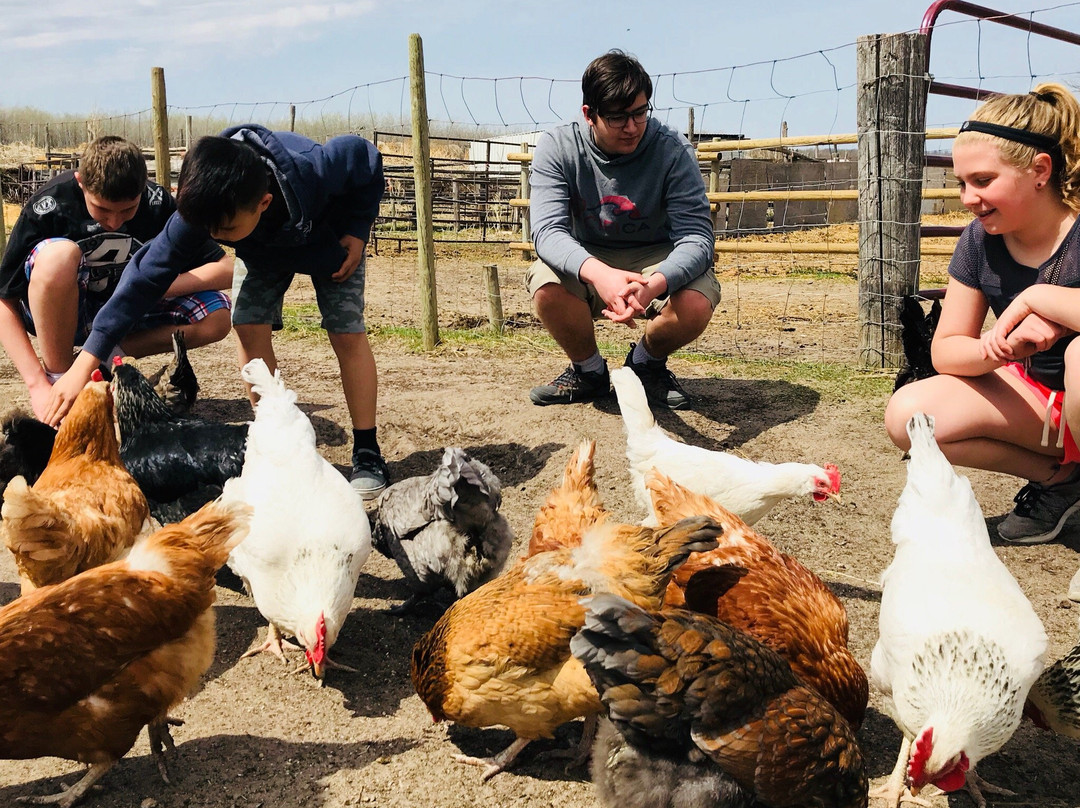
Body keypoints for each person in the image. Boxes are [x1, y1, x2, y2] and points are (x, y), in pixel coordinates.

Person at [41, 125, 390, 500]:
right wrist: (84, 363)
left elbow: (364, 158)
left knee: (345, 331)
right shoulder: (208, 209)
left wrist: (357, 229)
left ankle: (367, 451)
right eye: (207, 230)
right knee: (247, 325)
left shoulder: (313, 168)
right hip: (261, 248)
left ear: (264, 202)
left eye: (222, 230)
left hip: (331, 241)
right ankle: (273, 440)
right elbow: (142, 279)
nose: (214, 237)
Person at [885, 83, 1080, 547]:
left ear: (1039, 170)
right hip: (1041, 405)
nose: (968, 197)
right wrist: (1000, 348)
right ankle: (1063, 483)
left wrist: (1038, 301)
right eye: (961, 183)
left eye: (983, 181)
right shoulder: (979, 240)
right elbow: (948, 349)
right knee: (910, 417)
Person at [526, 49, 719, 410]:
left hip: (656, 257)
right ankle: (589, 371)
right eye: (617, 117)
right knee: (545, 283)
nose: (632, 127)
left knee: (696, 301)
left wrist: (656, 282)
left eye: (640, 113)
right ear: (589, 114)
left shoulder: (673, 150)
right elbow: (548, 231)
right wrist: (600, 274)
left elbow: (696, 237)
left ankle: (646, 364)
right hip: (588, 255)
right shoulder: (558, 148)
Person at [0, 135, 233, 420]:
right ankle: (59, 379)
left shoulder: (157, 202)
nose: (113, 221)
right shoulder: (51, 204)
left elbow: (225, 268)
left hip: (126, 314)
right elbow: (4, 300)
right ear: (80, 182)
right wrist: (36, 384)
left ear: (142, 189)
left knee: (218, 315)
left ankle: (102, 358)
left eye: (128, 210)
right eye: (102, 209)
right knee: (57, 257)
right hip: (65, 314)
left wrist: (153, 286)